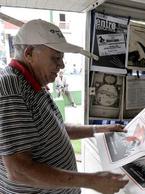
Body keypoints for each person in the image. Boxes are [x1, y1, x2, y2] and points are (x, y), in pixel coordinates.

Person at [0, 19, 128, 194]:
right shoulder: (11, 88)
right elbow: (19, 171)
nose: (62, 65)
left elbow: (57, 129)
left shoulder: (32, 83)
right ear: (29, 53)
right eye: (56, 58)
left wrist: (100, 129)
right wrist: (91, 180)